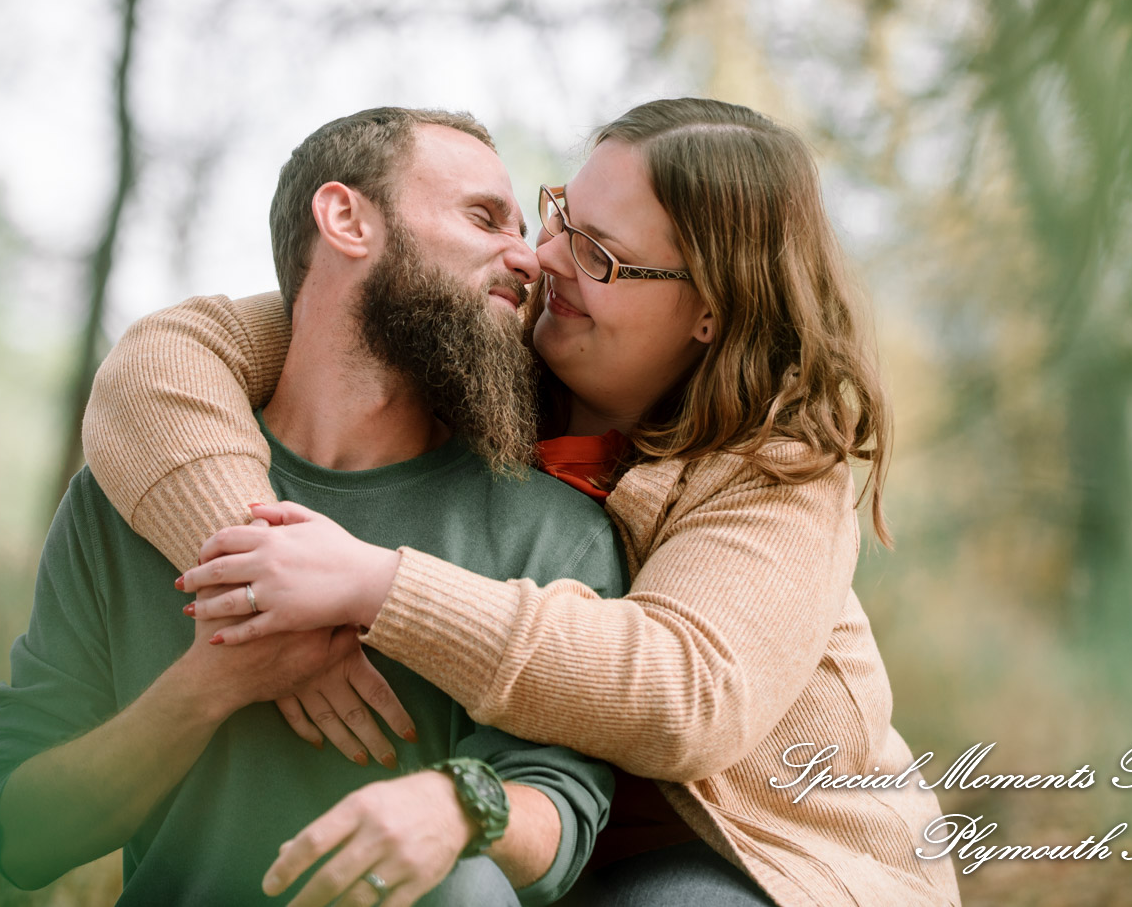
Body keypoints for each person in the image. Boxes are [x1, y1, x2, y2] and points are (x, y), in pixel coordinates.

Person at [83, 98, 962, 906]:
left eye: (598, 254)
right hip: (506, 859)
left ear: (712, 311)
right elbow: (164, 364)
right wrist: (267, 584)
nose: (543, 258)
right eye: (561, 217)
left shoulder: (776, 475)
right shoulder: (493, 342)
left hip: (745, 863)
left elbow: (686, 695)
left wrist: (373, 585)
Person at [0, 108, 625, 906]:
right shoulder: (131, 498)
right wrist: (209, 686)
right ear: (346, 218)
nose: (528, 258)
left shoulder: (553, 531)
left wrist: (459, 805)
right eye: (484, 217)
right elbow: (23, 837)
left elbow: (562, 819)